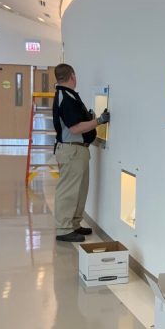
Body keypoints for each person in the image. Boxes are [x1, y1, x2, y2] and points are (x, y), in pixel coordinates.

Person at [52, 63, 108, 243]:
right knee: (68, 190)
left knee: (79, 190)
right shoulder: (65, 98)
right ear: (72, 76)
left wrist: (89, 118)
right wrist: (98, 121)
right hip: (71, 150)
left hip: (77, 151)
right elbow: (75, 128)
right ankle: (64, 228)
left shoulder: (69, 96)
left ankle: (74, 224)